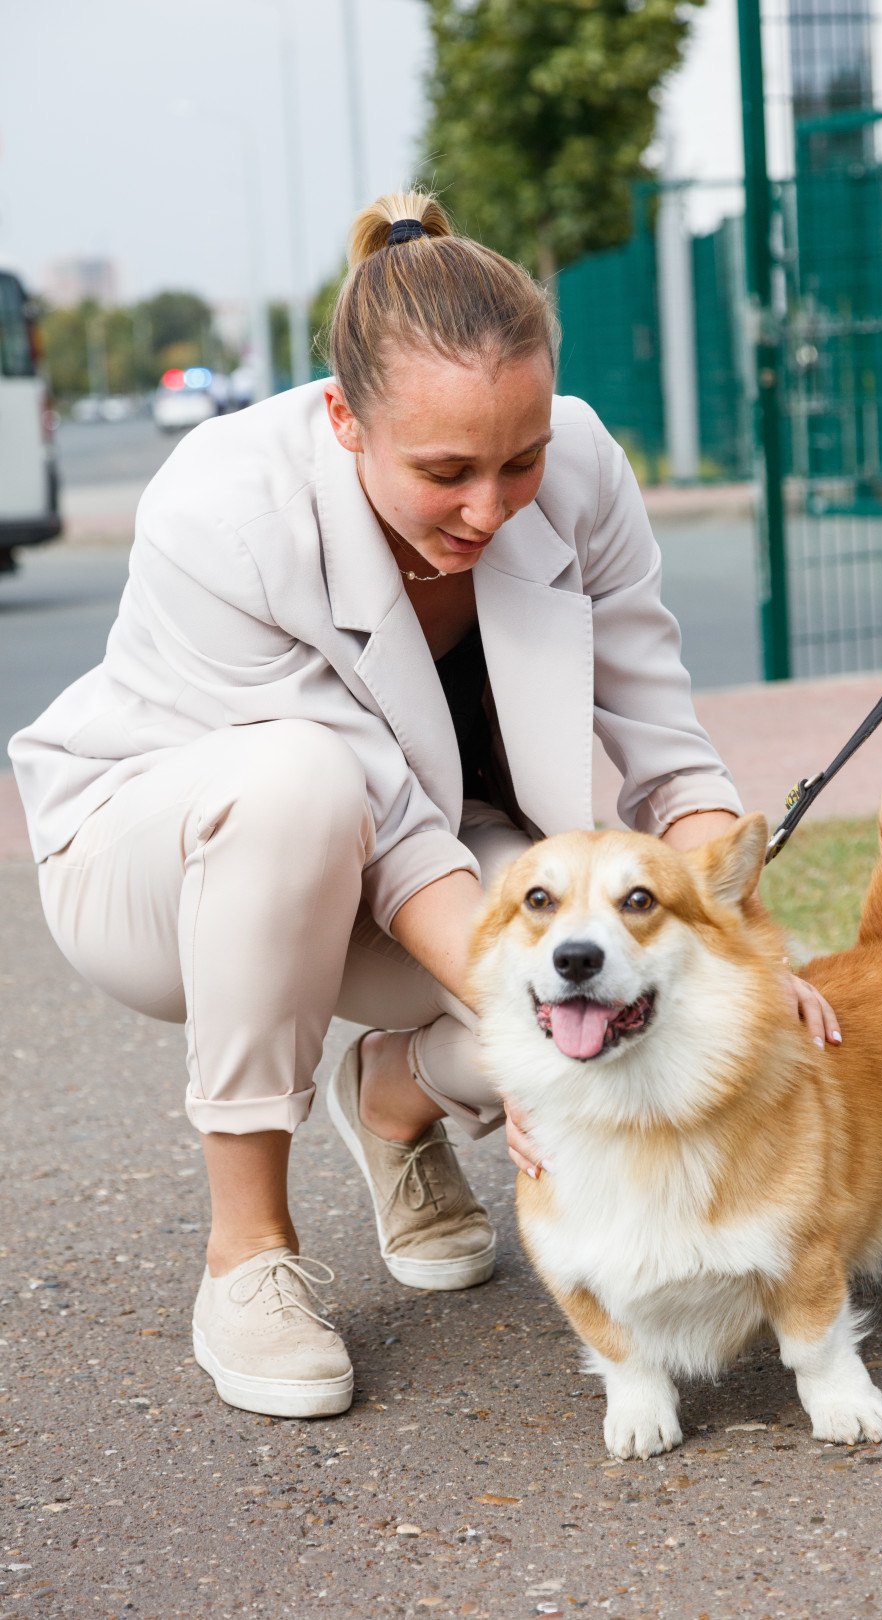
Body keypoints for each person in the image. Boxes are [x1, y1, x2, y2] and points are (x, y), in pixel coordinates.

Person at [8, 191, 839, 1421]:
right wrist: (528, 1042)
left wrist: (754, 962)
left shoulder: (585, 468)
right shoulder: (223, 507)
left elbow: (665, 746)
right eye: (445, 471)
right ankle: (248, 1253)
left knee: (628, 971)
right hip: (160, 863)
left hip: (437, 854)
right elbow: (379, 830)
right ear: (343, 418)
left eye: (522, 459)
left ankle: (394, 1099)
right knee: (302, 780)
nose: (493, 509)